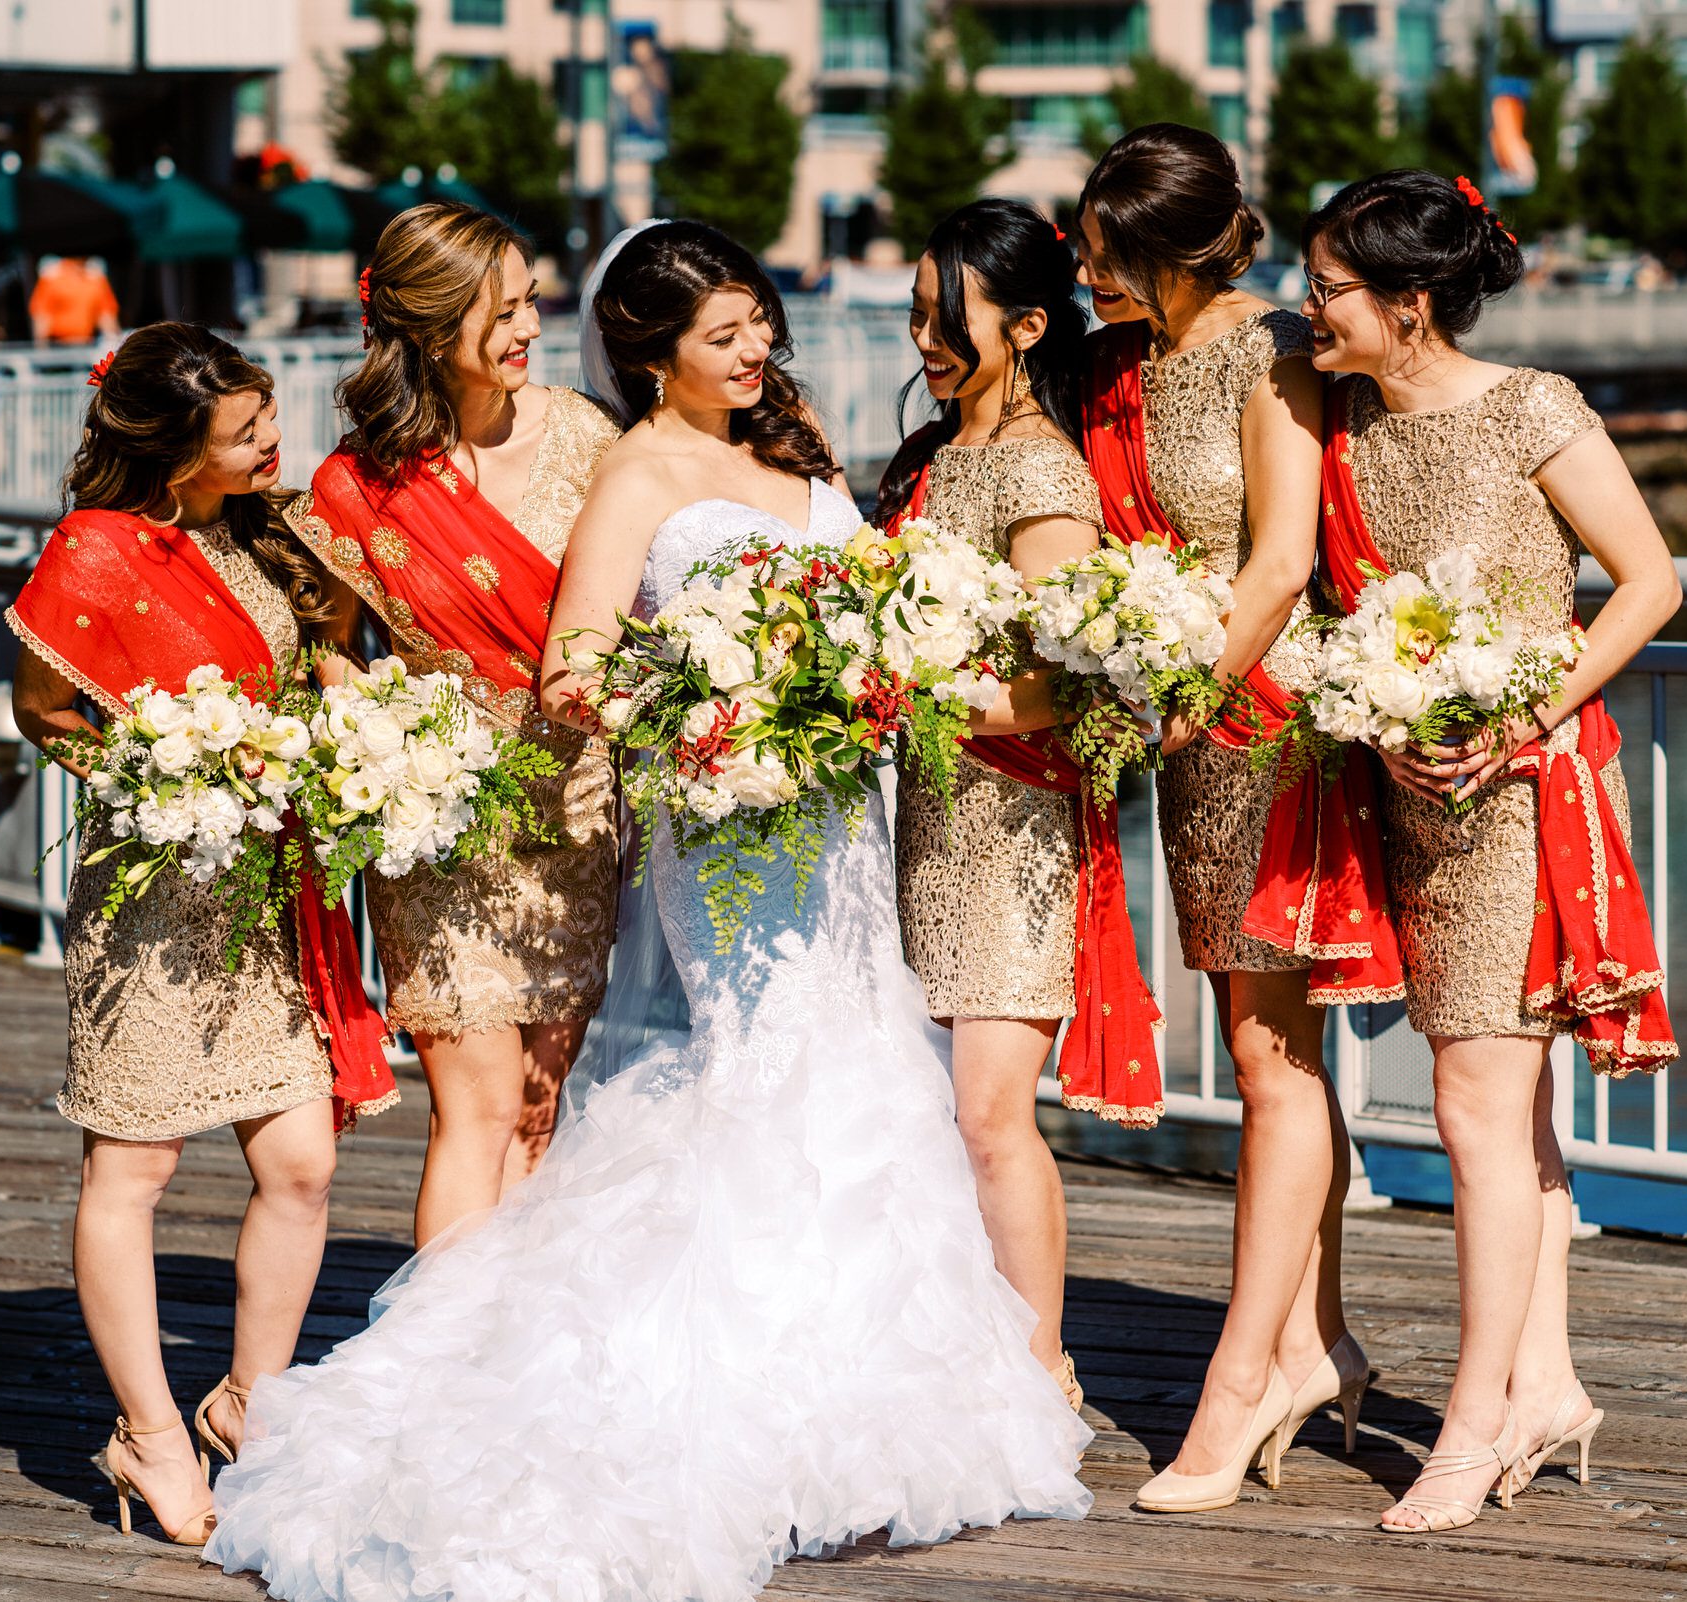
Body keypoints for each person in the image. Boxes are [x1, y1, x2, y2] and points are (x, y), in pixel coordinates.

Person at [203, 221, 1089, 1602]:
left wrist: (863, 668)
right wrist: (719, 705)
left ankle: (850, 1382)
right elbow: (575, 669)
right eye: (723, 336)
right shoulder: (635, 473)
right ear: (654, 354)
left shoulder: (797, 449)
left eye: (759, 324)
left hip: (843, 820)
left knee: (868, 1059)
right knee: (761, 1063)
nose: (757, 352)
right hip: (727, 818)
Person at [1300, 170, 1680, 1532]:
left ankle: (1469, 1428)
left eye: (1330, 288)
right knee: (1506, 1109)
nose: (1308, 307)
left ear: (1409, 303)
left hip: (1525, 787)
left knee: (1470, 1100)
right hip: (1411, 786)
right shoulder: (1340, 421)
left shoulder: (1530, 407)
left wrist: (1523, 713)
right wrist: (1375, 715)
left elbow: (1651, 581)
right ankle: (1548, 1385)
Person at [5, 322, 393, 1547]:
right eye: (245, 431)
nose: (276, 439)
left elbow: (324, 666)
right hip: (155, 903)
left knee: (303, 1162)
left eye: (268, 413)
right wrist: (156, 777)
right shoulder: (96, 550)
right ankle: (152, 1433)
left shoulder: (271, 536)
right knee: (135, 1170)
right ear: (176, 454)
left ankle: (248, 1403)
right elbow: (44, 710)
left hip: (271, 891)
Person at [1076, 123, 1385, 1512]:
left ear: (1171, 249)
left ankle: (1243, 1376)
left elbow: (1279, 558)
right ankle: (1318, 1342)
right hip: (1189, 733)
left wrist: (1186, 698)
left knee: (1268, 1060)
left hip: (1263, 726)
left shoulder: (1273, 353)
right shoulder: (1124, 363)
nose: (1089, 275)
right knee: (1276, 1051)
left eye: (1106, 254)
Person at [294, 203, 622, 1246]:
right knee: (474, 1113)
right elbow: (328, 647)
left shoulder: (590, 437)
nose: (530, 327)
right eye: (503, 311)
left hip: (578, 811)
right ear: (433, 329)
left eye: (531, 301)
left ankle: (506, 1336)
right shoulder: (355, 485)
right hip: (440, 827)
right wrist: (383, 744)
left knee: (536, 1111)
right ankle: (443, 1339)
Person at [877, 198, 1136, 1412]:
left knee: (989, 1114)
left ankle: (1040, 1374)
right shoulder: (934, 456)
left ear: (1028, 326)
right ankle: (958, 1358)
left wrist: (915, 690)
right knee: (939, 1113)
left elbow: (1069, 678)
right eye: (917, 313)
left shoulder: (1040, 469)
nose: (924, 338)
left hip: (1016, 828)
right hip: (929, 819)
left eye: (948, 317)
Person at [28, 256, 121, 346]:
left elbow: (106, 316)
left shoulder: (95, 277)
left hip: (86, 343)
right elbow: (42, 316)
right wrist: (41, 347)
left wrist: (115, 343)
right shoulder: (52, 275)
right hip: (57, 344)